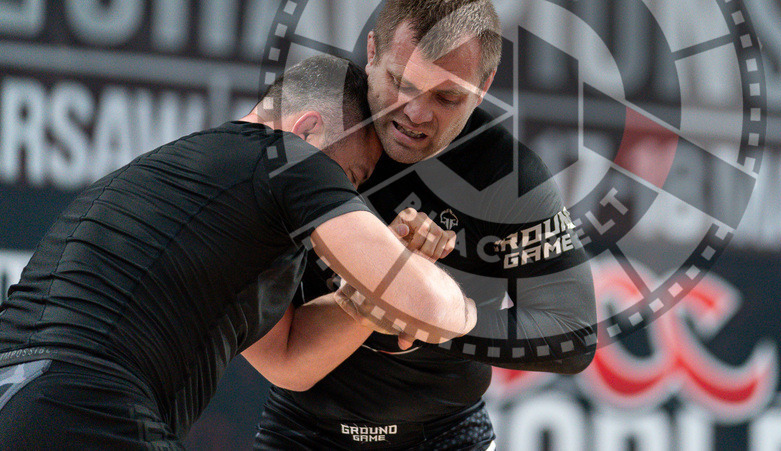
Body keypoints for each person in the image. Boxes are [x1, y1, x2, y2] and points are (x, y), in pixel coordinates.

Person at [0, 55, 476, 449]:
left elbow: (289, 360)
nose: (347, 193)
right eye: (350, 177)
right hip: (85, 406)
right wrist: (466, 305)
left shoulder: (204, 177)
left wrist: (374, 298)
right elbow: (429, 306)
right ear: (308, 130)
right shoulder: (288, 159)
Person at [254, 0, 597, 450]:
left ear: (484, 87)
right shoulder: (313, 126)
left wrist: (434, 314)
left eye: (447, 96)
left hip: (447, 434)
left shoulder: (505, 172)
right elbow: (270, 341)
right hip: (304, 429)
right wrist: (383, 288)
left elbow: (572, 334)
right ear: (371, 53)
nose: (415, 113)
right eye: (401, 82)